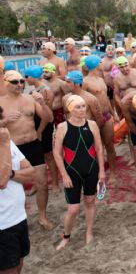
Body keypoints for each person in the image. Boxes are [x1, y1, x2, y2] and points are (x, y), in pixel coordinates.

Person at [0, 70, 54, 230]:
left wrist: (43, 104)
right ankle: (15, 218)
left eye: (22, 81)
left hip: (33, 144)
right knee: (12, 185)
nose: (20, 85)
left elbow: (49, 118)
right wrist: (4, 121)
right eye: (15, 82)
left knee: (42, 183)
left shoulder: (31, 99)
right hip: (13, 149)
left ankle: (42, 216)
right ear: (6, 83)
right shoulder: (1, 103)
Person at [51, 95, 105, 250]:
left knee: (90, 202)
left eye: (83, 106)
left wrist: (101, 171)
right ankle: (66, 236)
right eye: (78, 107)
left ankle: (89, 231)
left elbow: (100, 148)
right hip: (72, 172)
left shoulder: (92, 124)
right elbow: (57, 153)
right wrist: (64, 175)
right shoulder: (62, 127)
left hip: (91, 169)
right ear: (70, 109)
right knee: (73, 209)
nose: (82, 110)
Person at [0, 107, 36, 274]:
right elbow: (1, 180)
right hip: (2, 225)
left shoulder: (7, 141)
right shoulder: (6, 141)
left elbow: (31, 173)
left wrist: (13, 174)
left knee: (17, 271)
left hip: (18, 218)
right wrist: (4, 144)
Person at [82, 56, 117, 184]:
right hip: (93, 118)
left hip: (106, 115)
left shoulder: (101, 79)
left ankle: (113, 172)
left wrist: (114, 113)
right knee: (96, 147)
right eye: (100, 62)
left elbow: (106, 98)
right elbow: (82, 100)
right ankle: (98, 173)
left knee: (110, 145)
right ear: (96, 65)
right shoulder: (85, 82)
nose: (103, 64)